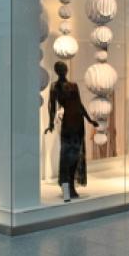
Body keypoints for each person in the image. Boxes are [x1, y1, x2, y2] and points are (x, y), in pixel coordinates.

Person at [45, 61, 98, 201]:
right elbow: (52, 107)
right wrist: (50, 123)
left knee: (76, 155)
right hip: (68, 123)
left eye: (64, 68)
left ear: (66, 70)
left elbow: (79, 105)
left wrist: (89, 120)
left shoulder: (74, 85)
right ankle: (66, 186)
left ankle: (72, 185)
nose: (62, 71)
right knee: (66, 156)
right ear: (56, 71)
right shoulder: (54, 87)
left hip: (78, 122)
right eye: (59, 69)